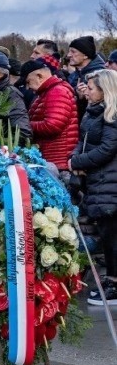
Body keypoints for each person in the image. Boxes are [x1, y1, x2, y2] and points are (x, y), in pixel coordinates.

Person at [68, 69, 117, 305]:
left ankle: (115, 283)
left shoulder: (112, 115)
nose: (87, 91)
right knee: (108, 235)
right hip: (99, 183)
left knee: (113, 235)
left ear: (105, 90)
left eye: (93, 88)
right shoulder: (93, 112)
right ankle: (112, 279)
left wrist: (77, 162)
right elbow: (82, 141)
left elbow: (108, 149)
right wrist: (74, 159)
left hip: (111, 184)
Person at [22, 59, 79, 175]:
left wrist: (24, 125)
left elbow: (52, 125)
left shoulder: (56, 92)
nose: (28, 87)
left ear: (39, 76)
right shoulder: (46, 92)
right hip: (54, 160)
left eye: (29, 82)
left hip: (59, 162)